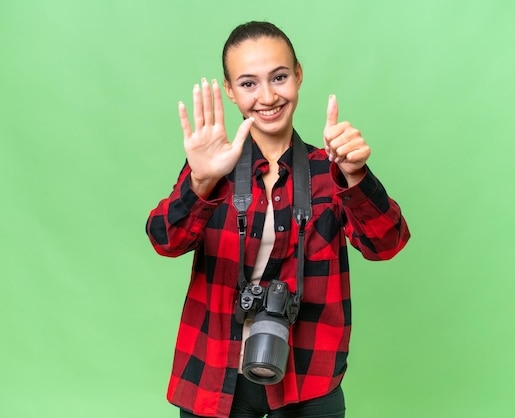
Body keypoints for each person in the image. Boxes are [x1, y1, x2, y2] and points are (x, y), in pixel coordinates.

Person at [146, 21, 410, 418]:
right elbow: (165, 241)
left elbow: (386, 244)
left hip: (309, 376)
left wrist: (355, 175)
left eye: (280, 77)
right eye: (249, 83)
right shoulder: (213, 168)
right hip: (216, 374)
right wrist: (200, 181)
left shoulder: (329, 168)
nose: (267, 96)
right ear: (231, 91)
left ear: (299, 75)